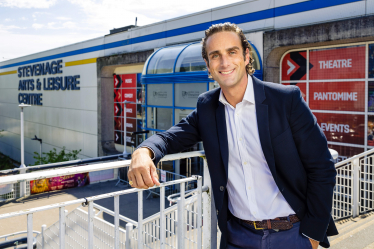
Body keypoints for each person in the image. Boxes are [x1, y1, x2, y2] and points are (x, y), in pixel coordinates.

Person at [128, 23, 338, 249]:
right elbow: (169, 138)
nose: (224, 62)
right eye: (215, 55)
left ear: (246, 56)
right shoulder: (207, 108)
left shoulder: (286, 100)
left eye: (232, 52)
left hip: (292, 234)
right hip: (238, 236)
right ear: (208, 66)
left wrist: (312, 236)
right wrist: (142, 152)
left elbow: (322, 167)